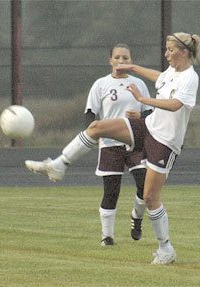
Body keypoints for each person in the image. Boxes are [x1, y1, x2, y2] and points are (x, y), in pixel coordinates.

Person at [25, 32, 200, 265]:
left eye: (170, 50)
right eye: (166, 49)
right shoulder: (172, 73)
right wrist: (134, 67)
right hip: (147, 126)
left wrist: (143, 99)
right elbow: (161, 78)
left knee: (149, 197)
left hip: (165, 142)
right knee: (97, 127)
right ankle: (59, 165)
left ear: (184, 52)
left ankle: (166, 249)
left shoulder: (190, 77)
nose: (166, 54)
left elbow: (175, 104)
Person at [84, 44, 152, 246]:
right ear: (110, 61)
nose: (121, 61)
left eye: (126, 58)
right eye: (118, 58)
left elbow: (151, 112)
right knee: (111, 190)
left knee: (144, 184)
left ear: (131, 61)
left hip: (135, 143)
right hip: (110, 144)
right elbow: (90, 113)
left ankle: (136, 218)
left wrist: (140, 115)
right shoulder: (101, 84)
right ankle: (107, 236)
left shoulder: (138, 83)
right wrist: (94, 132)